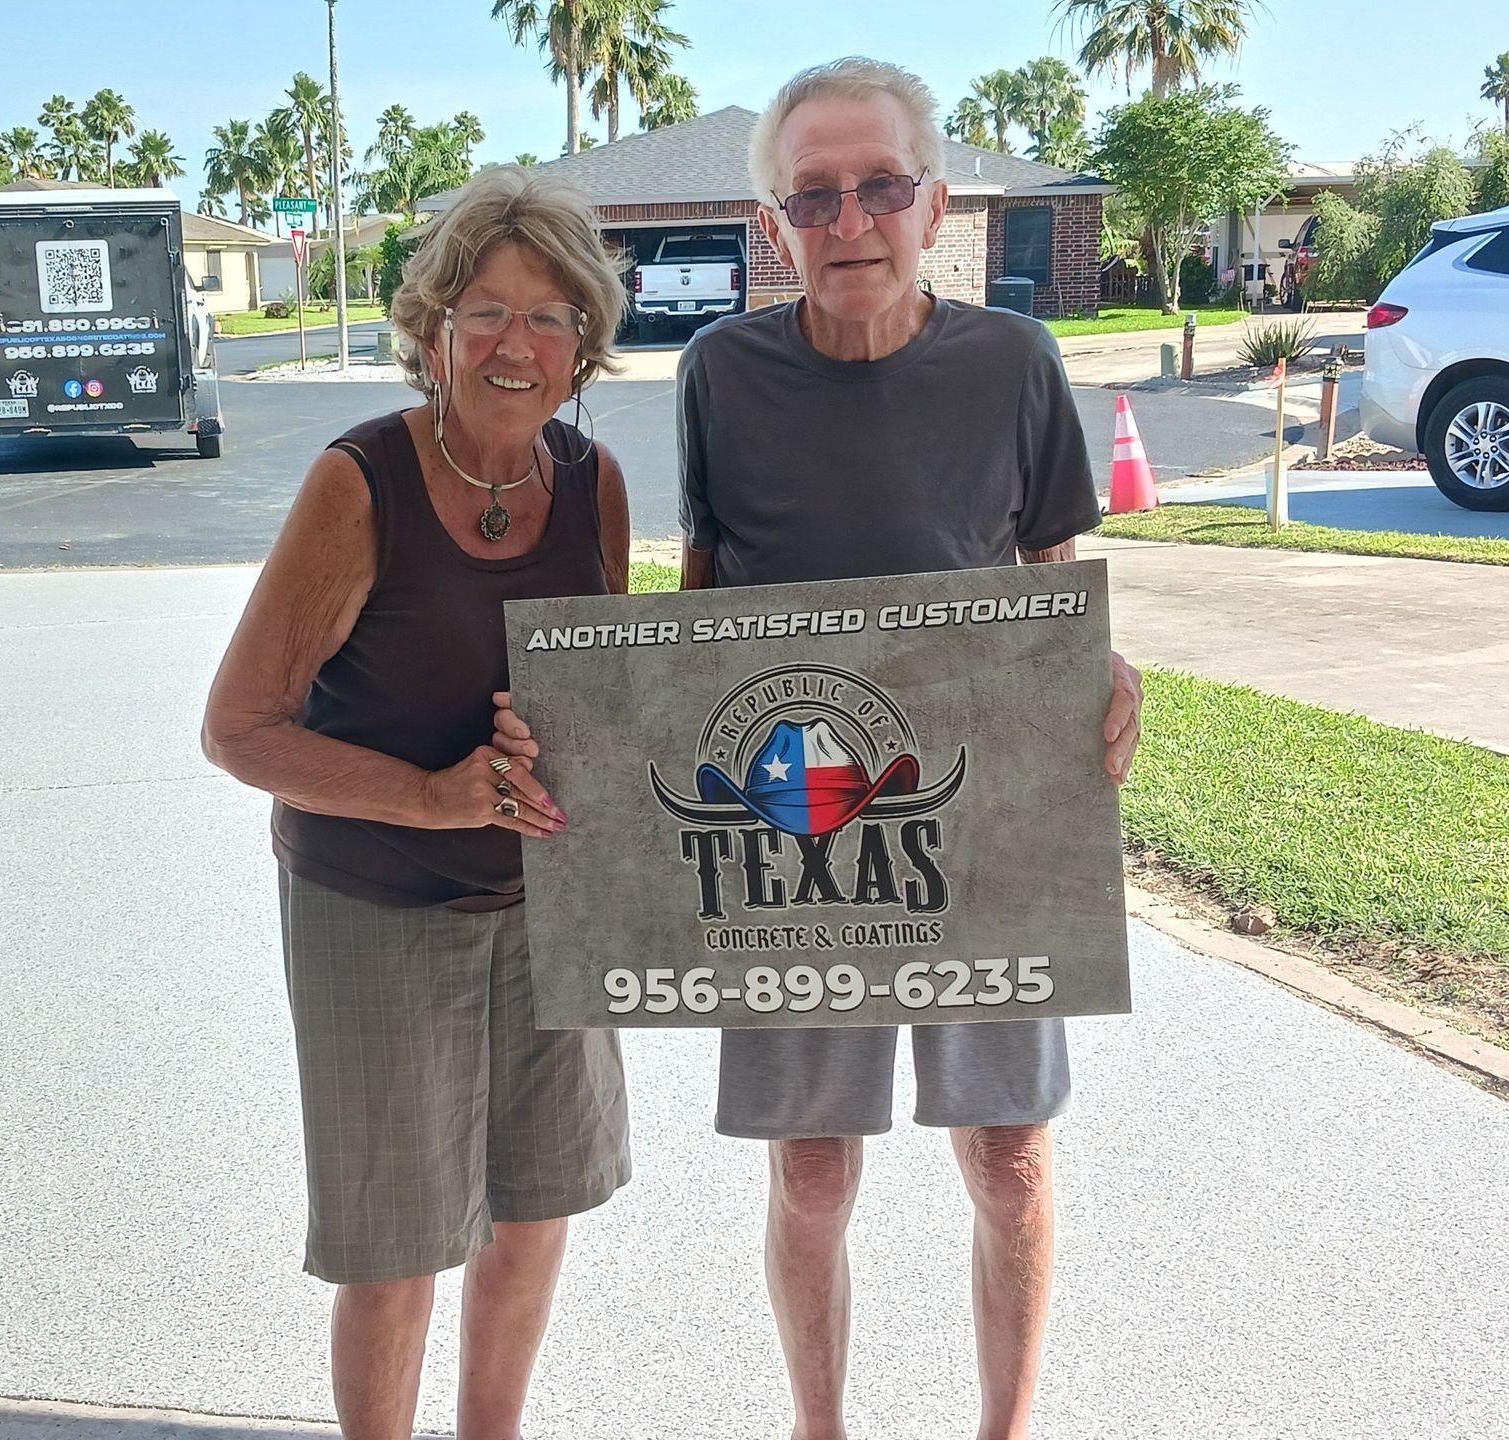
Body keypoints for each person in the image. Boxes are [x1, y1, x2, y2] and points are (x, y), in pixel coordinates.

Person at [495, 57, 1144, 1440]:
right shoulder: (724, 374)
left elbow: (1052, 579)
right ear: (775, 224)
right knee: (810, 1176)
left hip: (981, 817)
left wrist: (1096, 675)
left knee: (1013, 1161)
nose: (851, 220)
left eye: (881, 187)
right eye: (814, 195)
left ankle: (1007, 1428)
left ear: (935, 204)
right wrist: (614, 739)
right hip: (792, 823)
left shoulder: (1017, 364)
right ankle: (820, 1426)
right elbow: (703, 599)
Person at [199, 166, 634, 1440]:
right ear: (433, 331)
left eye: (550, 317)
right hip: (374, 907)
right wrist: (435, 798)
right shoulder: (362, 482)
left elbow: (599, 695)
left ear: (583, 344)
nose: (516, 344)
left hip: (546, 909)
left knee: (536, 1212)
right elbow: (239, 728)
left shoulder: (593, 484)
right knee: (398, 1251)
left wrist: (579, 741)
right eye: (485, 312)